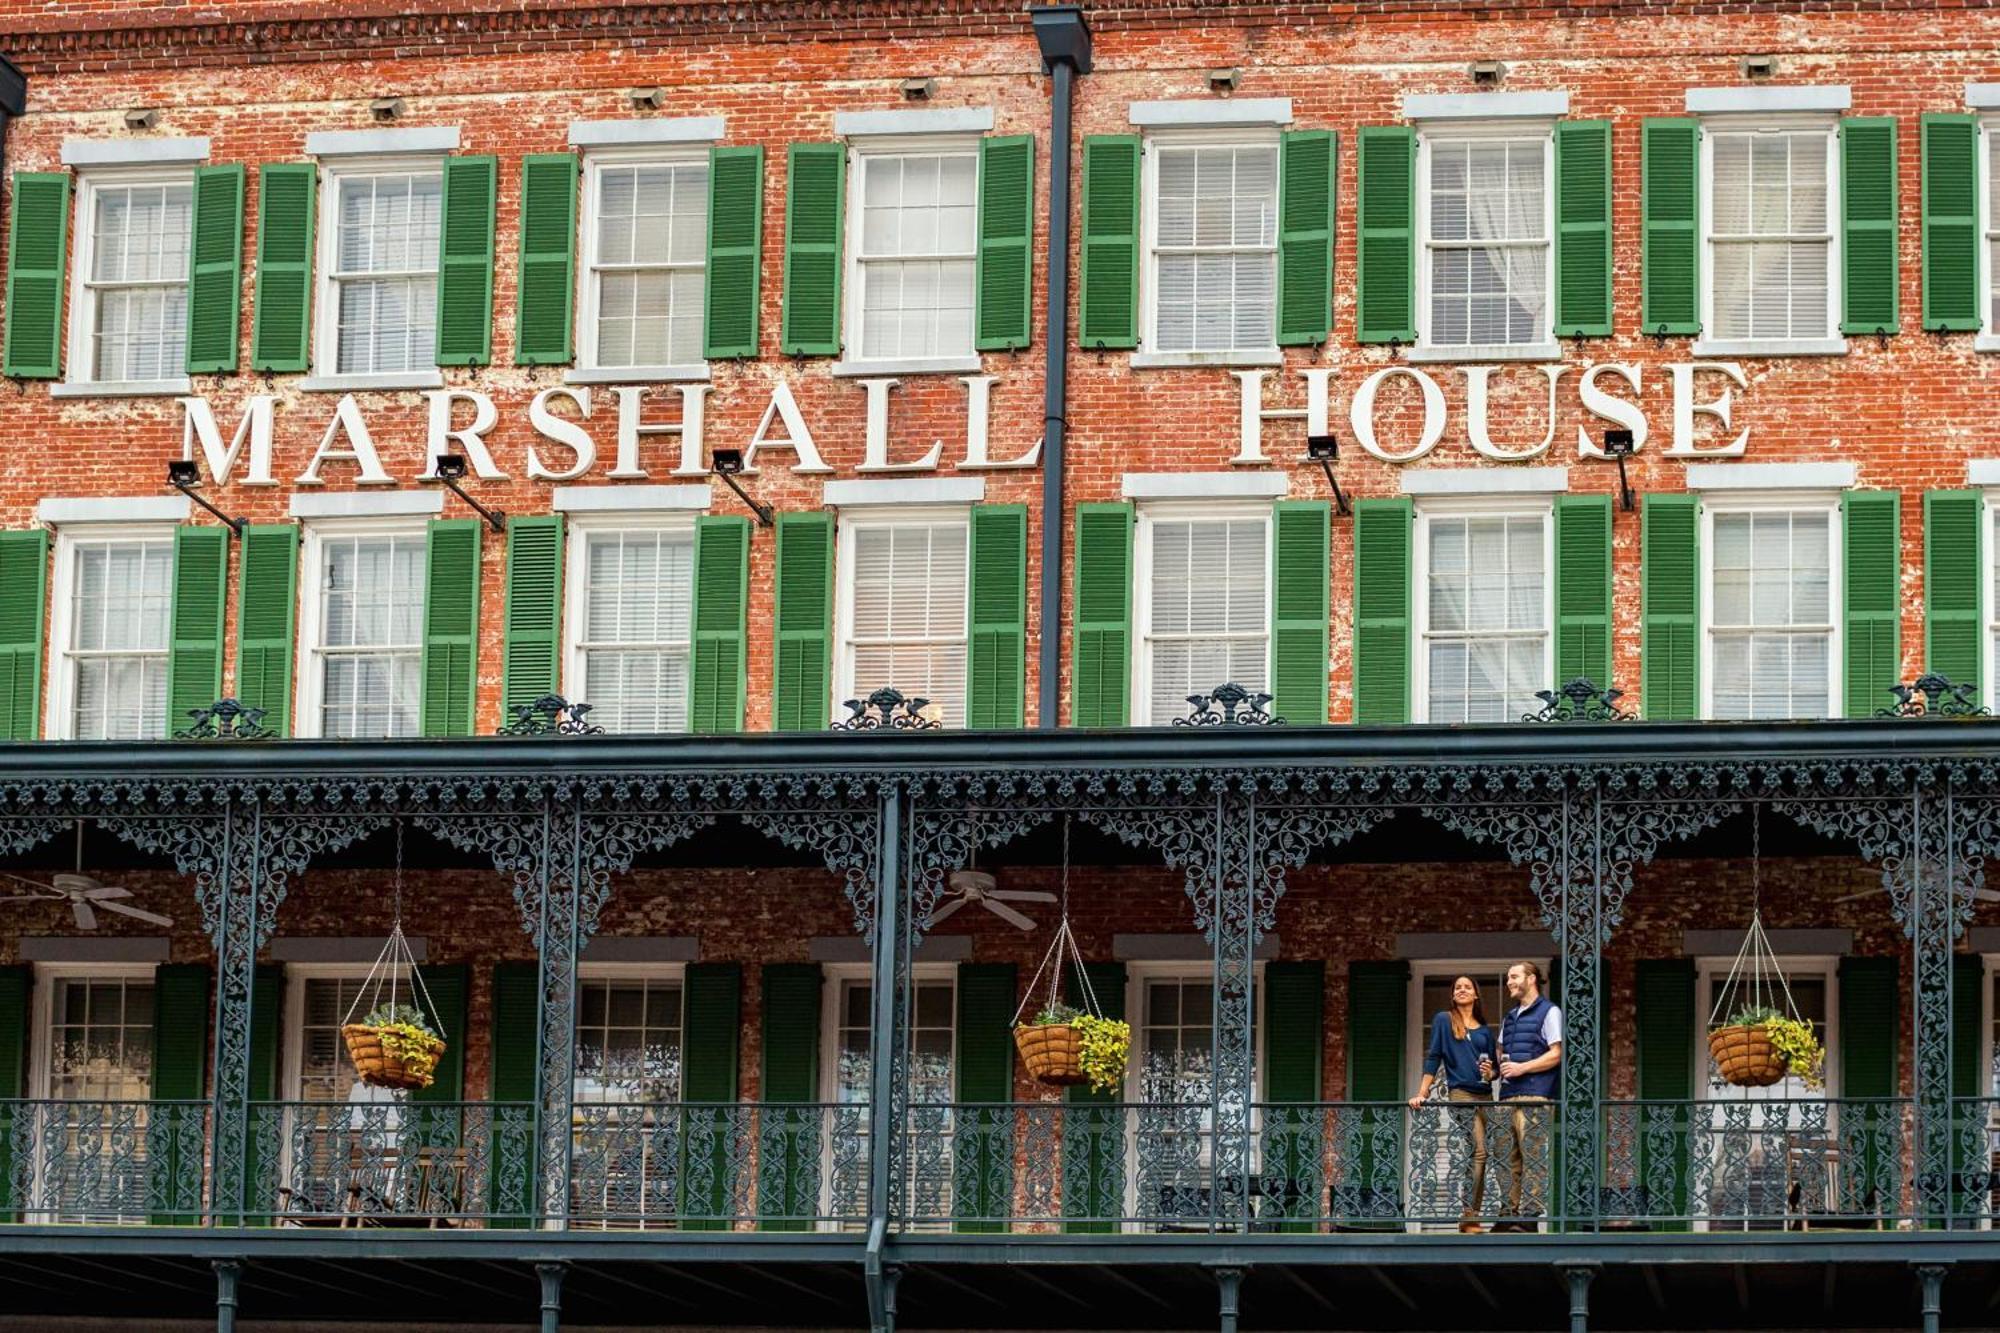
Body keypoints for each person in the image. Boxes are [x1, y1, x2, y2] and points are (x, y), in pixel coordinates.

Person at [1407, 975, 1497, 1232]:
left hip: (1485, 1095)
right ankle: (1470, 1218)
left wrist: (1490, 1072)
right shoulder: (1444, 1020)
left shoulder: (1483, 1030)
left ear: (1476, 994)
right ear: (1453, 995)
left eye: (1467, 987)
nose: (1462, 990)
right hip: (1461, 1095)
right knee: (1479, 1151)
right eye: (1457, 987)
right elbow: (1434, 1056)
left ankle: (1471, 1215)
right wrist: (1422, 1093)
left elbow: (1495, 1070)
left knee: (1479, 1155)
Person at [1494, 960, 1562, 1232]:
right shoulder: (1510, 1017)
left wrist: (1523, 1067)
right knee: (1504, 1157)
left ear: (1531, 979)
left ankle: (1531, 1218)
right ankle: (1508, 1214)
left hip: (1535, 1095)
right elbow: (1501, 1053)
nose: (1509, 982)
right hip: (1507, 1094)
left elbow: (1556, 1054)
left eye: (1514, 977)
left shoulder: (1549, 1012)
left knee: (1533, 1157)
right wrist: (1493, 1069)